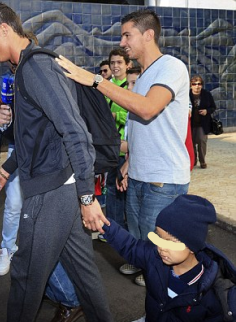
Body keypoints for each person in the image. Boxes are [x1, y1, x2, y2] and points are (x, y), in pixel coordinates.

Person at [0, 4, 113, 322]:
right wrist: (5, 170)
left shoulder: (35, 67)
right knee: (84, 276)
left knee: (25, 276)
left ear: (6, 30)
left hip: (53, 190)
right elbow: (36, 137)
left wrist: (86, 197)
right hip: (59, 187)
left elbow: (75, 132)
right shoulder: (25, 68)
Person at [57, 9, 191, 288]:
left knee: (164, 257)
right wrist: (129, 163)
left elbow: (147, 109)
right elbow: (144, 131)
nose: (123, 41)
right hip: (141, 176)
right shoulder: (142, 77)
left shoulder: (172, 67)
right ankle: (155, 310)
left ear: (148, 35)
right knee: (148, 254)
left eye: (127, 35)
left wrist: (96, 81)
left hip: (163, 181)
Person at [102, 194, 228, 322]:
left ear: (192, 246)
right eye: (159, 238)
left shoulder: (210, 293)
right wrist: (104, 225)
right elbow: (131, 246)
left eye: (171, 242)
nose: (161, 247)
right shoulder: (154, 257)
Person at [100, 48, 130, 240]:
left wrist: (114, 115)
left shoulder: (131, 87)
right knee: (111, 190)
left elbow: (134, 112)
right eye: (113, 63)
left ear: (128, 64)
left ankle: (121, 232)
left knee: (122, 192)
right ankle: (113, 230)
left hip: (125, 148)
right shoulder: (105, 86)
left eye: (120, 62)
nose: (116, 66)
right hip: (109, 147)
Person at [190, 75, 217, 169]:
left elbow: (213, 107)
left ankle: (202, 161)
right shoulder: (186, 94)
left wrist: (207, 111)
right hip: (190, 123)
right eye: (194, 84)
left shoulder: (207, 94)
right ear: (191, 85)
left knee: (202, 142)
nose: (197, 86)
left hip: (203, 123)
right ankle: (193, 161)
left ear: (202, 85)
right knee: (191, 143)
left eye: (199, 84)